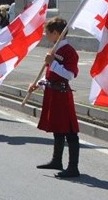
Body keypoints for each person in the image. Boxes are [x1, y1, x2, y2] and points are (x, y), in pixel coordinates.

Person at [30, 16, 81, 178]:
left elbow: (69, 75)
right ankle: (56, 160)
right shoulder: (55, 49)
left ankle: (73, 167)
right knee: (58, 129)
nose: (46, 35)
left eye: (47, 32)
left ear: (56, 33)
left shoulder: (68, 51)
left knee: (70, 131)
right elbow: (51, 76)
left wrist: (52, 62)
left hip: (62, 95)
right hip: (52, 93)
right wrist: (39, 83)